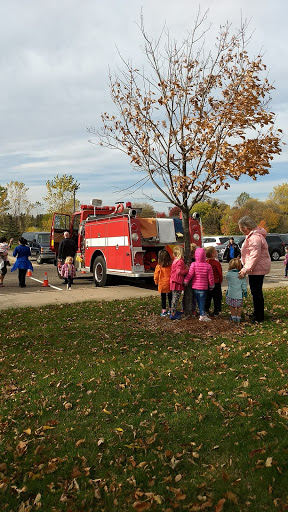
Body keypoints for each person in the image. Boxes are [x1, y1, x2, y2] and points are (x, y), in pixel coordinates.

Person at [238, 216, 271, 323]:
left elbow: (254, 255)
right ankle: (257, 313)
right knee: (256, 292)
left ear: (248, 227)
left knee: (256, 293)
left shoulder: (254, 237)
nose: (242, 231)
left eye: (243, 229)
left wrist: (245, 269)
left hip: (256, 268)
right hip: (255, 268)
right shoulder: (254, 235)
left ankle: (259, 317)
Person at [184, 247, 214, 322]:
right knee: (201, 301)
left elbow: (190, 274)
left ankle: (193, 311)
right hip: (203, 288)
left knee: (194, 300)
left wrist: (185, 281)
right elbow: (210, 278)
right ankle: (202, 314)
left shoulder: (193, 264)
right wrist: (211, 286)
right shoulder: (208, 266)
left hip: (195, 287)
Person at [169, 245, 188, 320]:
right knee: (175, 298)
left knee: (174, 298)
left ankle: (173, 311)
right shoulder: (180, 262)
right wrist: (187, 269)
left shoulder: (175, 260)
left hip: (174, 281)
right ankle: (173, 313)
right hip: (177, 282)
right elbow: (179, 271)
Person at [226, 258, 247, 323]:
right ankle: (238, 317)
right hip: (239, 294)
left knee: (232, 306)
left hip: (231, 293)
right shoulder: (241, 275)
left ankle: (233, 317)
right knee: (239, 306)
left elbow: (228, 281)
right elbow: (244, 285)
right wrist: (245, 291)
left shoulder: (228, 274)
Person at [205, 246, 223, 316]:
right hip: (216, 282)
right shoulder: (216, 263)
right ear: (212, 254)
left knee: (208, 297)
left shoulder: (206, 262)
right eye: (215, 251)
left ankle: (206, 309)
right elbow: (219, 273)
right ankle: (217, 311)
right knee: (217, 298)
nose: (217, 252)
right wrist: (220, 280)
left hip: (207, 282)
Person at [154, 249, 172, 317]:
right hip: (170, 284)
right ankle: (170, 309)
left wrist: (156, 282)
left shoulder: (159, 266)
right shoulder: (171, 265)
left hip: (162, 285)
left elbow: (156, 275)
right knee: (170, 297)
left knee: (163, 298)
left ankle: (164, 311)